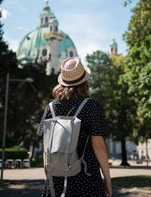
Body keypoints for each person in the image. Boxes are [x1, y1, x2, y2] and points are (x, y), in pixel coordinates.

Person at [38, 57, 112, 197]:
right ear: (84, 81)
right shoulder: (92, 106)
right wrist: (107, 179)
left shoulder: (51, 108)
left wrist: (50, 177)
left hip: (56, 179)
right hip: (86, 178)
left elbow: (46, 150)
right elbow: (99, 146)